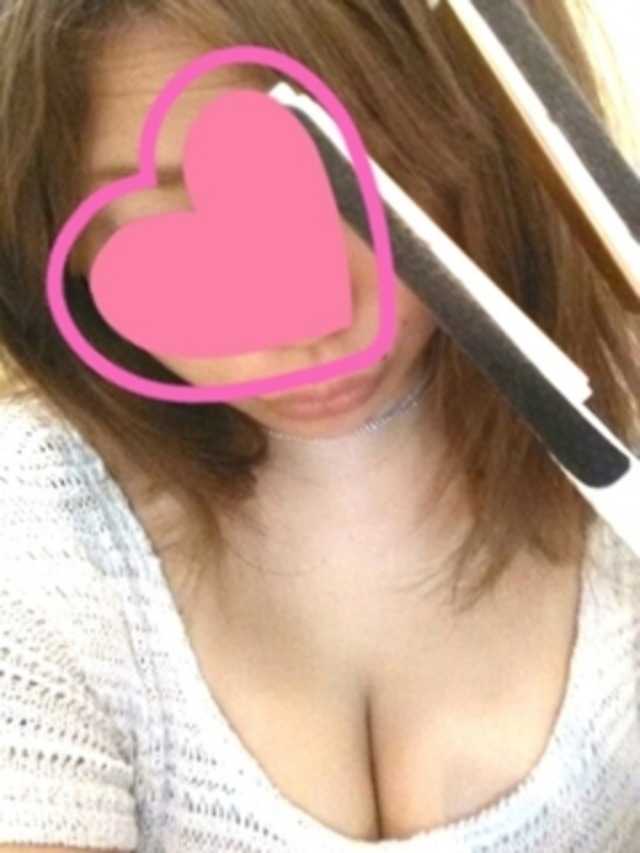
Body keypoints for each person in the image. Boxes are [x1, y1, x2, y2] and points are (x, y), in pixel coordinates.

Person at [0, 1, 639, 850]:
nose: (310, 324)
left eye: (360, 186)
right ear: (66, 231)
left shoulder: (620, 432)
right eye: (180, 210)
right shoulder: (32, 534)